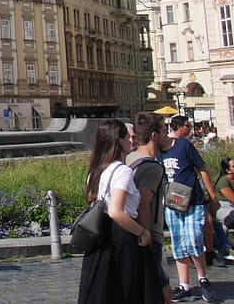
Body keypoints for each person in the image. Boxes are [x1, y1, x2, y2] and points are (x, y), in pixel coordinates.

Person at [78, 119, 159, 304]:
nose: (133, 140)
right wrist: (143, 232)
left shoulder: (96, 170)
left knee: (106, 290)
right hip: (122, 236)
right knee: (130, 289)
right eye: (128, 136)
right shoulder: (123, 171)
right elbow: (116, 211)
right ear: (119, 140)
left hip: (100, 237)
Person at [163, 115, 217, 301]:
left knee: (193, 239)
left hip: (193, 201)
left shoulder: (183, 145)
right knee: (178, 242)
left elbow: (201, 167)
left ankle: (203, 278)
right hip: (172, 203)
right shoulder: (155, 152)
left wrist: (212, 195)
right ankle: (184, 284)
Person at [128, 111, 174, 304]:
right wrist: (146, 235)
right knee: (162, 289)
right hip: (149, 235)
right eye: (164, 131)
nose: (167, 135)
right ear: (154, 135)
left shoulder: (129, 159)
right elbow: (143, 202)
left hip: (130, 233)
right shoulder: (152, 168)